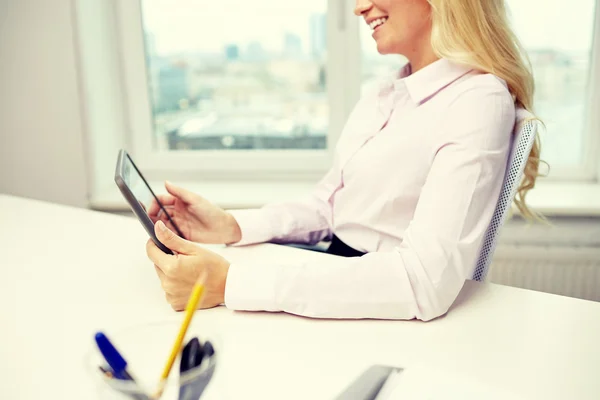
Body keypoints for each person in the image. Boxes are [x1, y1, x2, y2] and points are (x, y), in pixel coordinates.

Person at [145, 0, 542, 321]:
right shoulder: (386, 90)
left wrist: (231, 283)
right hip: (338, 270)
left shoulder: (476, 100)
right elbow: (331, 204)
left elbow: (422, 281)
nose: (358, 7)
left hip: (376, 298)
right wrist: (230, 225)